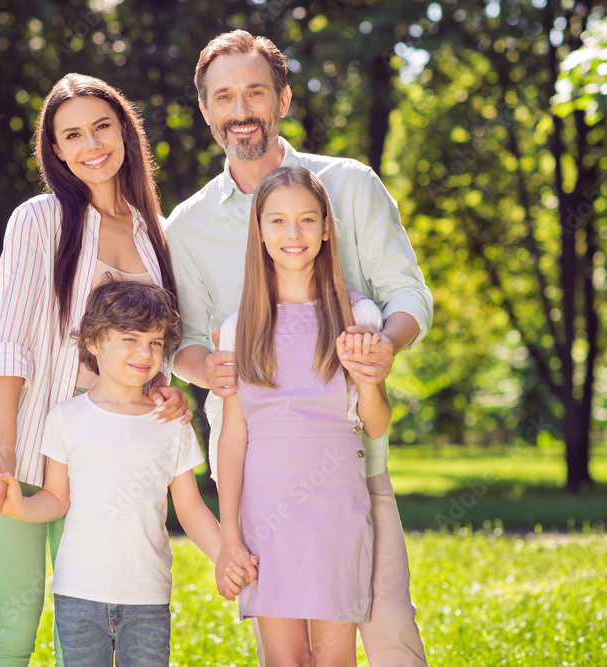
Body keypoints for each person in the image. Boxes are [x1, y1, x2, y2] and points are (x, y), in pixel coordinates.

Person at [166, 31, 432, 665]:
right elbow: (184, 341)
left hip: (350, 456)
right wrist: (210, 368)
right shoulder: (187, 224)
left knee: (387, 625)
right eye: (223, 96)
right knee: (284, 649)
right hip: (257, 470)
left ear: (281, 98)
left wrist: (381, 352)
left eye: (255, 92)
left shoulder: (350, 184)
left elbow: (407, 296)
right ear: (205, 109)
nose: (240, 109)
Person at [0, 73, 192, 666]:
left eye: (102, 127)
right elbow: (8, 336)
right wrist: (1, 446)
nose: (92, 145)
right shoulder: (38, 219)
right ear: (56, 150)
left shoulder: (156, 233)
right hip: (20, 433)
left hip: (97, 454)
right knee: (14, 620)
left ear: (125, 132)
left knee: (80, 634)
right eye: (73, 135)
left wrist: (167, 391)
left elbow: (154, 341)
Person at [0, 280, 255, 667]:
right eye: (130, 338)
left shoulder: (172, 422)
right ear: (93, 342)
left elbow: (190, 509)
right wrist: (17, 505)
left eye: (156, 343)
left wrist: (225, 556)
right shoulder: (66, 418)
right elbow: (57, 499)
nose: (145, 352)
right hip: (78, 597)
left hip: (148, 598)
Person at [214, 166, 392, 665]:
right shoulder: (236, 329)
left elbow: (375, 424)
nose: (293, 234)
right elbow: (233, 440)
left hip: (335, 506)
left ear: (327, 228)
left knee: (334, 657)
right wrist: (230, 535)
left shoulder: (360, 318)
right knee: (285, 660)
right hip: (265, 514)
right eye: (278, 221)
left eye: (307, 220)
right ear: (259, 230)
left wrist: (370, 377)